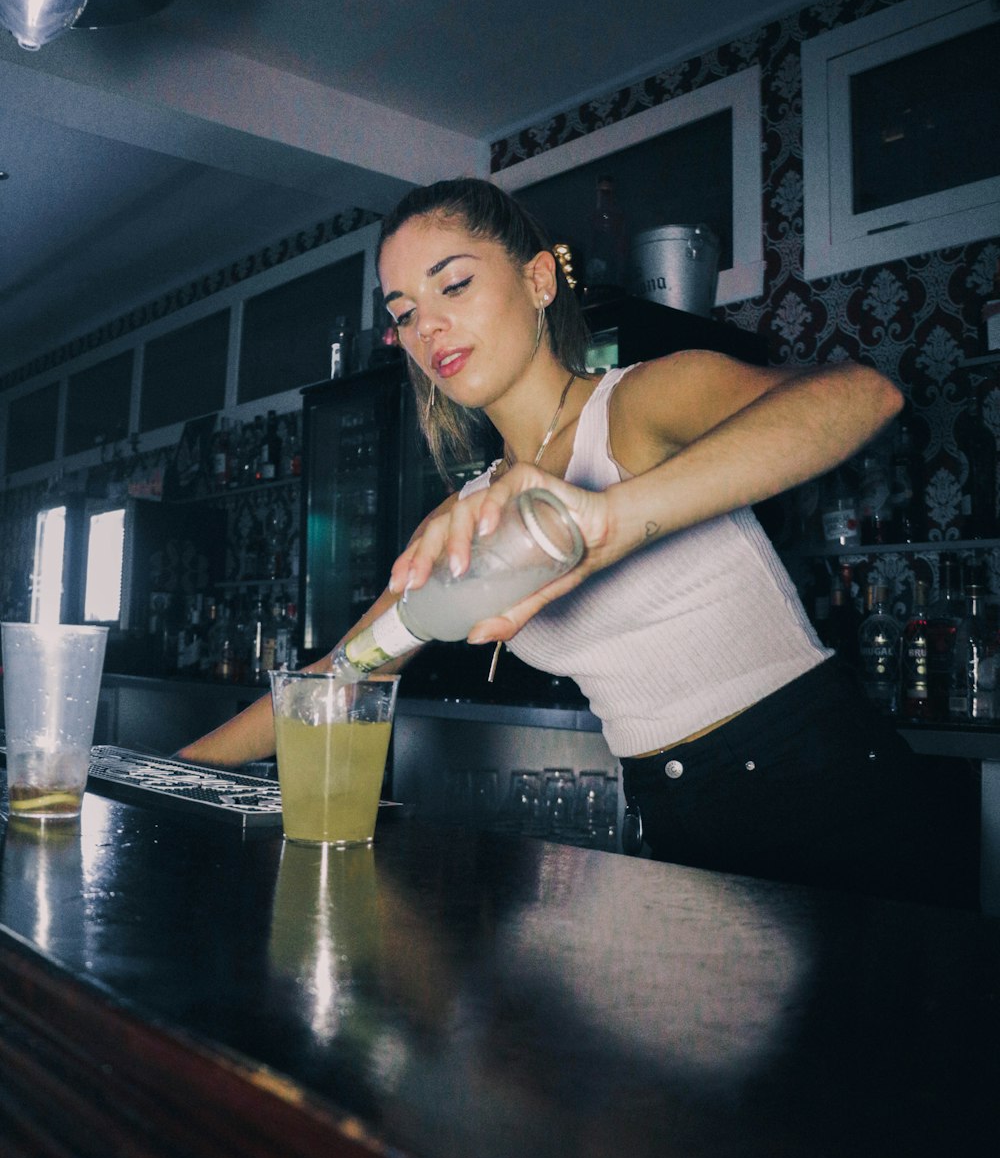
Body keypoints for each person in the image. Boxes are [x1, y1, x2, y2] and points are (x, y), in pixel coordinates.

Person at [180, 178, 977, 907]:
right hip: (678, 820)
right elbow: (341, 672)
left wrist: (612, 519)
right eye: (403, 313)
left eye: (453, 284)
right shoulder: (479, 511)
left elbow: (861, 396)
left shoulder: (636, 402)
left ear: (537, 280)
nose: (428, 326)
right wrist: (173, 771)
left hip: (825, 795)